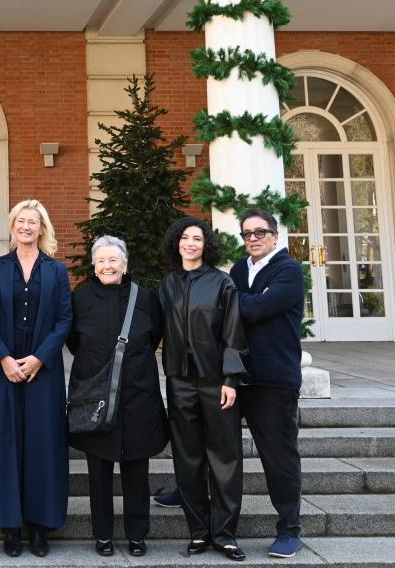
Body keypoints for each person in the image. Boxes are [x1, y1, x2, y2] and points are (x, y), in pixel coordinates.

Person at [0, 199, 71, 558]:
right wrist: (3, 358)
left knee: (42, 445)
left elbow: (65, 319)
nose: (27, 227)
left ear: (42, 227)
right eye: (21, 221)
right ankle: (10, 526)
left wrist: (39, 358)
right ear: (12, 226)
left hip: (43, 372)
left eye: (33, 222)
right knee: (5, 445)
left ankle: (39, 526)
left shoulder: (57, 270)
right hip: (3, 371)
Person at [67, 236, 168, 558]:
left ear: (124, 266)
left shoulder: (146, 299)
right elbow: (73, 342)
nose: (107, 266)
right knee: (98, 472)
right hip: (95, 398)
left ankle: (137, 535)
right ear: (93, 267)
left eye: (113, 260)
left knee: (137, 470)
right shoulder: (80, 300)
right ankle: (103, 535)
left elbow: (154, 336)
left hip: (138, 396)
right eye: (101, 261)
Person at [158, 216, 248, 562]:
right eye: (185, 238)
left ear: (205, 245)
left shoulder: (222, 283)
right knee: (188, 459)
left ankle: (224, 534)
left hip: (216, 383)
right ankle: (198, 533)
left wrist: (230, 380)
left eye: (197, 238)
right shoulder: (168, 284)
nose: (190, 243)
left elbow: (233, 334)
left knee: (224, 457)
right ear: (176, 243)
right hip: (179, 381)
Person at [230, 209, 305, 559]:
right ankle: (192, 494)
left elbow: (257, 309)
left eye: (260, 232)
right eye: (246, 234)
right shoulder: (239, 269)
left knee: (278, 457)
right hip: (237, 377)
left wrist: (235, 302)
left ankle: (289, 529)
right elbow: (240, 312)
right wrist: (244, 303)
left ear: (275, 235)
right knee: (215, 445)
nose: (253, 238)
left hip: (274, 380)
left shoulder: (288, 270)